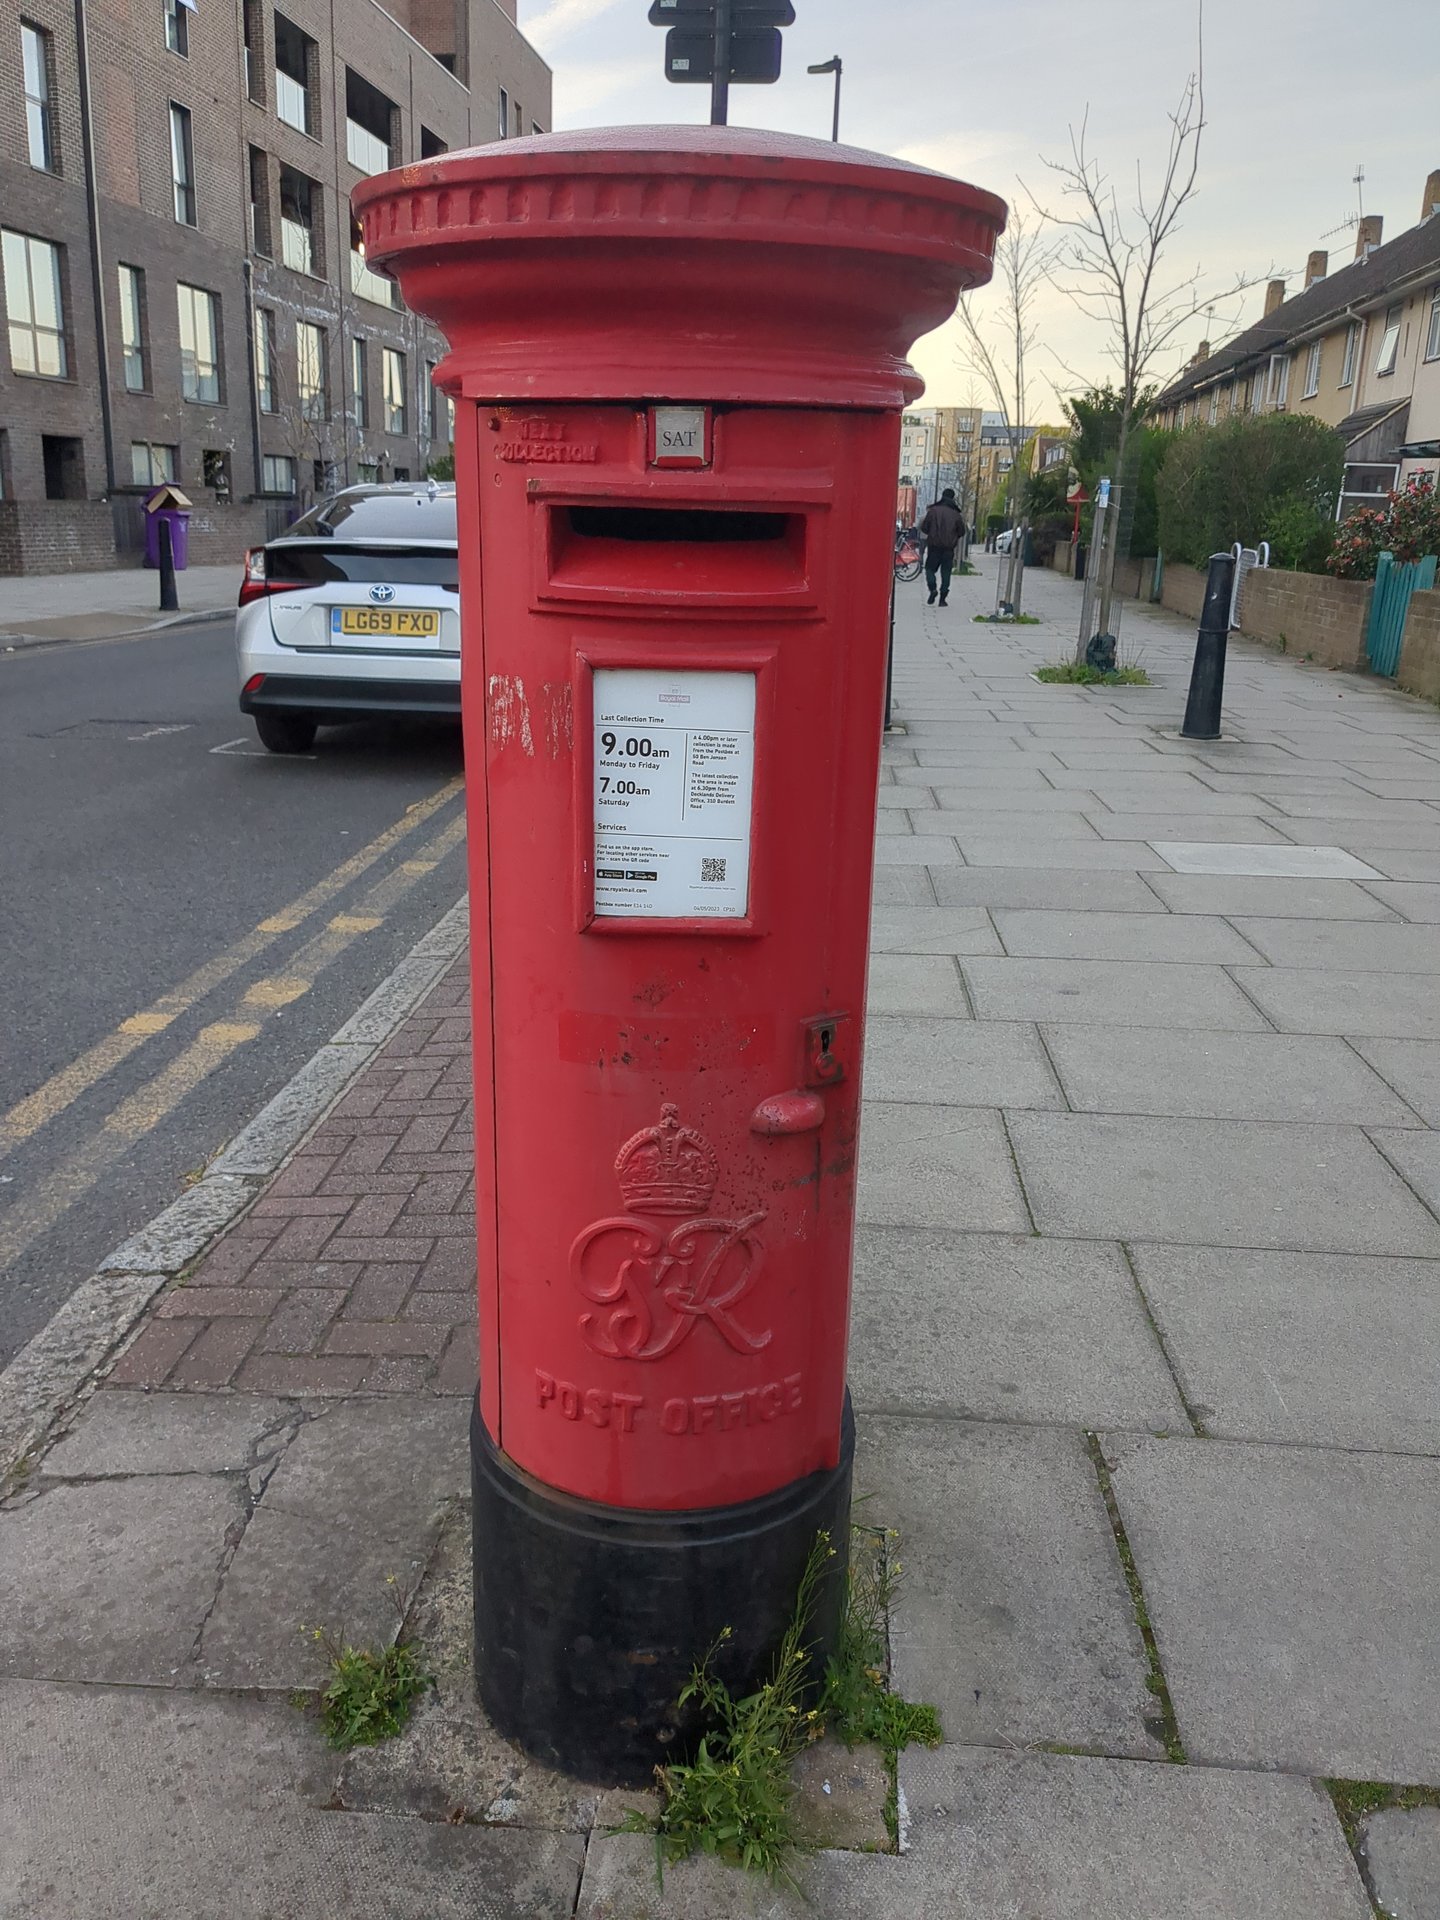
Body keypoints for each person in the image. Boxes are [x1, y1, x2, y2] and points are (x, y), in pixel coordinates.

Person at [920, 489, 966, 605]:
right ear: (953, 498)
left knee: (930, 569)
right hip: (948, 549)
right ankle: (942, 599)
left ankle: (933, 588)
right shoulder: (956, 514)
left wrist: (932, 533)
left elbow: (924, 527)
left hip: (934, 547)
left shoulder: (933, 511)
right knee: (946, 573)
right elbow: (962, 531)